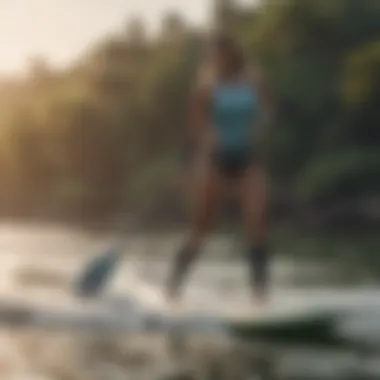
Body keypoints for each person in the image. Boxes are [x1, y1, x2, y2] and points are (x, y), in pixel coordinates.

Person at [165, 33, 275, 306]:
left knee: (256, 221)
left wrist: (261, 125)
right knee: (202, 227)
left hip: (247, 157)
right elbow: (196, 123)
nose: (214, 59)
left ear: (231, 55)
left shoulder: (253, 81)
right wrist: (207, 137)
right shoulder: (207, 87)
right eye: (212, 55)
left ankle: (260, 295)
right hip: (215, 159)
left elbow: (269, 109)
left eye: (218, 54)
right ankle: (173, 285)